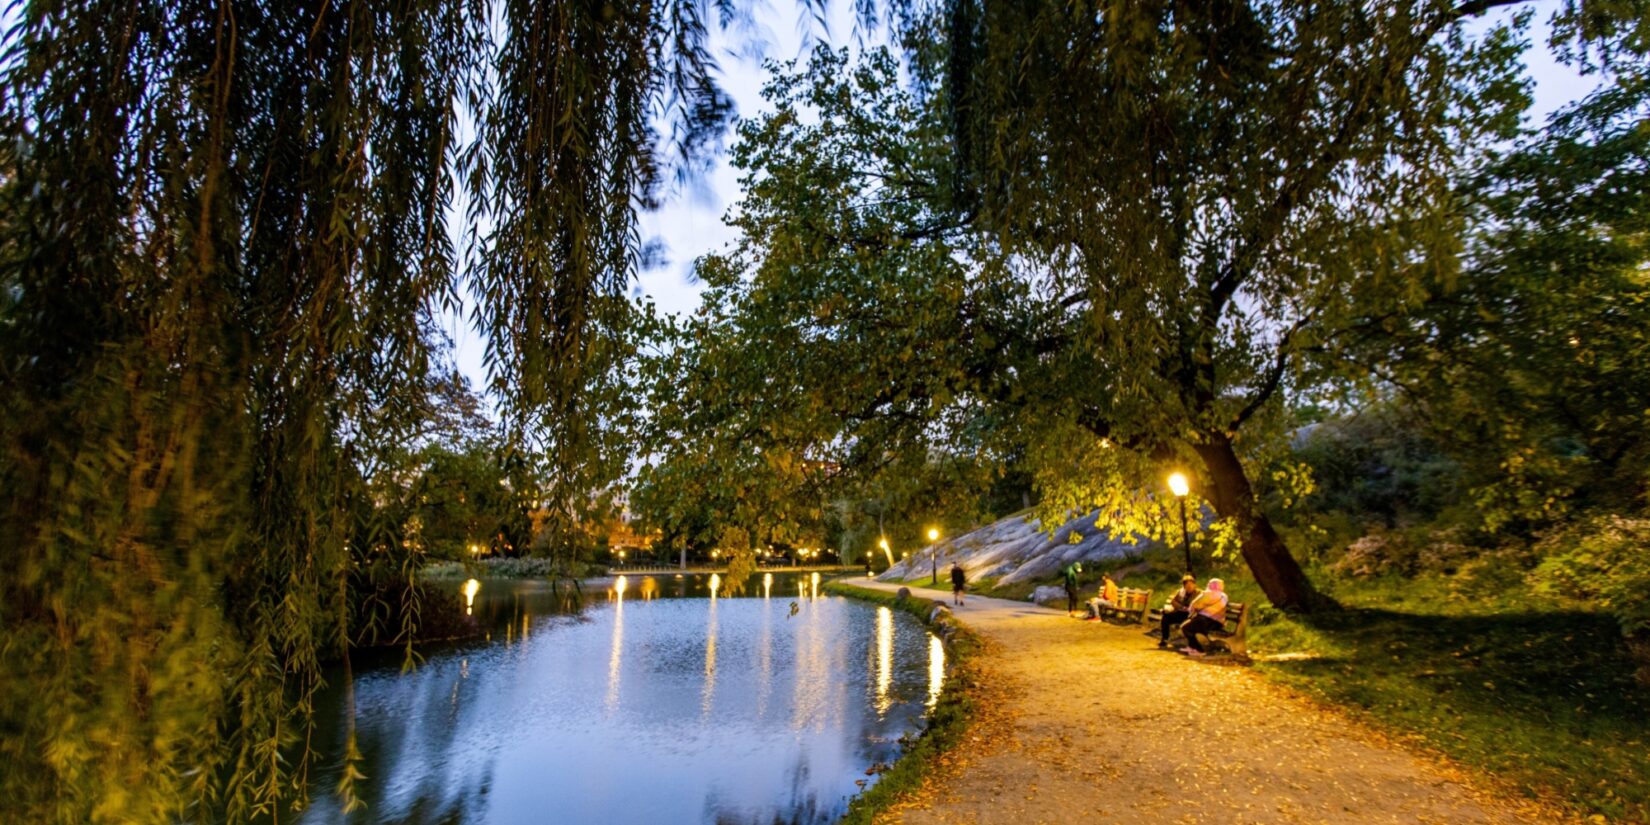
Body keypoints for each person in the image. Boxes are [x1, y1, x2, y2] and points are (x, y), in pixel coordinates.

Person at [1179, 578, 1229, 657]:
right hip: (1214, 621)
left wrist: (1193, 610)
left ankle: (1199, 650)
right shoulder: (1223, 595)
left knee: (1186, 628)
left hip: (1208, 621)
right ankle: (1192, 647)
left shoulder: (1210, 593)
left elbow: (1195, 604)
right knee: (1186, 627)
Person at [1157, 575, 1201, 648]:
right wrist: (1181, 607)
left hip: (1191, 615)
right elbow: (1173, 601)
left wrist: (1190, 607)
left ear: (1194, 585)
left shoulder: (1199, 593)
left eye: (1191, 584)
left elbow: (1199, 604)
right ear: (1184, 586)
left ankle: (1192, 644)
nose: (1189, 587)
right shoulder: (1181, 592)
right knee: (1166, 618)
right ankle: (1165, 639)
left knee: (1189, 623)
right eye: (1187, 585)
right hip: (1181, 613)